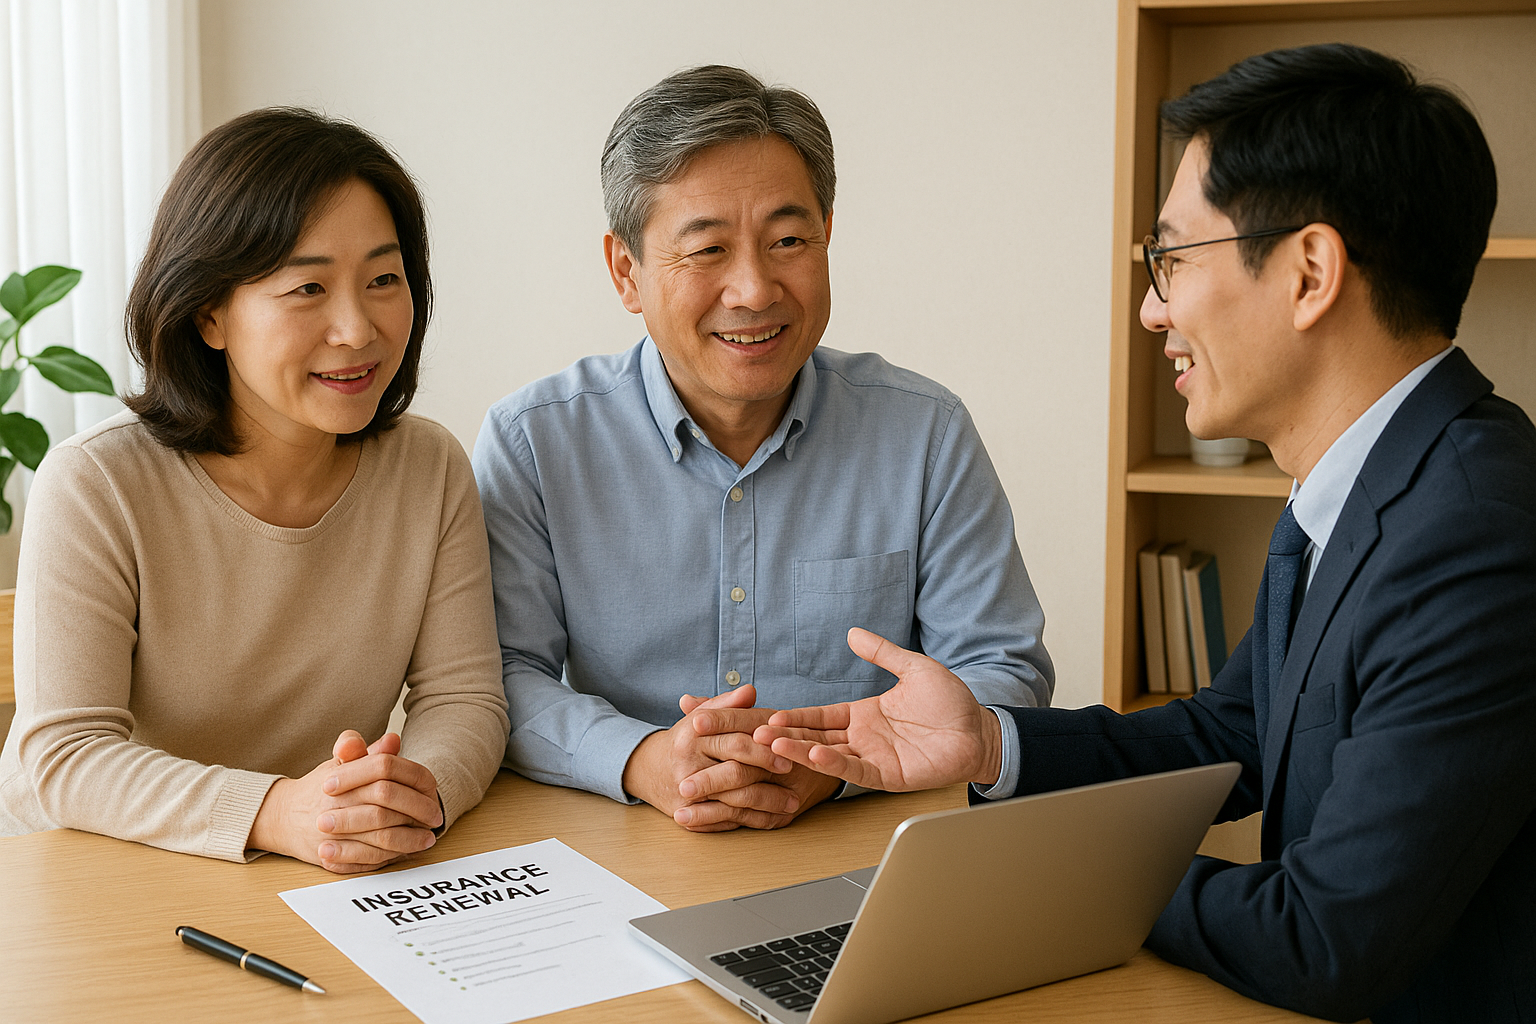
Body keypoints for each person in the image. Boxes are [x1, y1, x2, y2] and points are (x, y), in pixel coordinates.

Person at [756, 44, 1536, 1024]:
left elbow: (1322, 938)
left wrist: (1028, 871)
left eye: (1173, 259)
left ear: (1308, 273)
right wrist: (990, 746)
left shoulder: (1474, 535)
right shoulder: (1365, 485)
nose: (1151, 306)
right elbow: (1237, 734)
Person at [473, 65, 1052, 833]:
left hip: (866, 849)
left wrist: (840, 768)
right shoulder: (535, 444)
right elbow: (503, 678)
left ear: (827, 236)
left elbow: (1002, 670)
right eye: (706, 250)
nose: (753, 289)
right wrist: (644, 760)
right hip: (624, 849)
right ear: (627, 272)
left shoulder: (926, 434)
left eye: (787, 240)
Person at [0, 108, 510, 873]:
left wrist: (408, 796)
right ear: (210, 313)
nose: (357, 329)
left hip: (308, 872)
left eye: (383, 279)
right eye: (308, 287)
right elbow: (67, 755)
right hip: (86, 879)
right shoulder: (97, 482)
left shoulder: (427, 468)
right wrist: (277, 811)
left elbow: (465, 701)